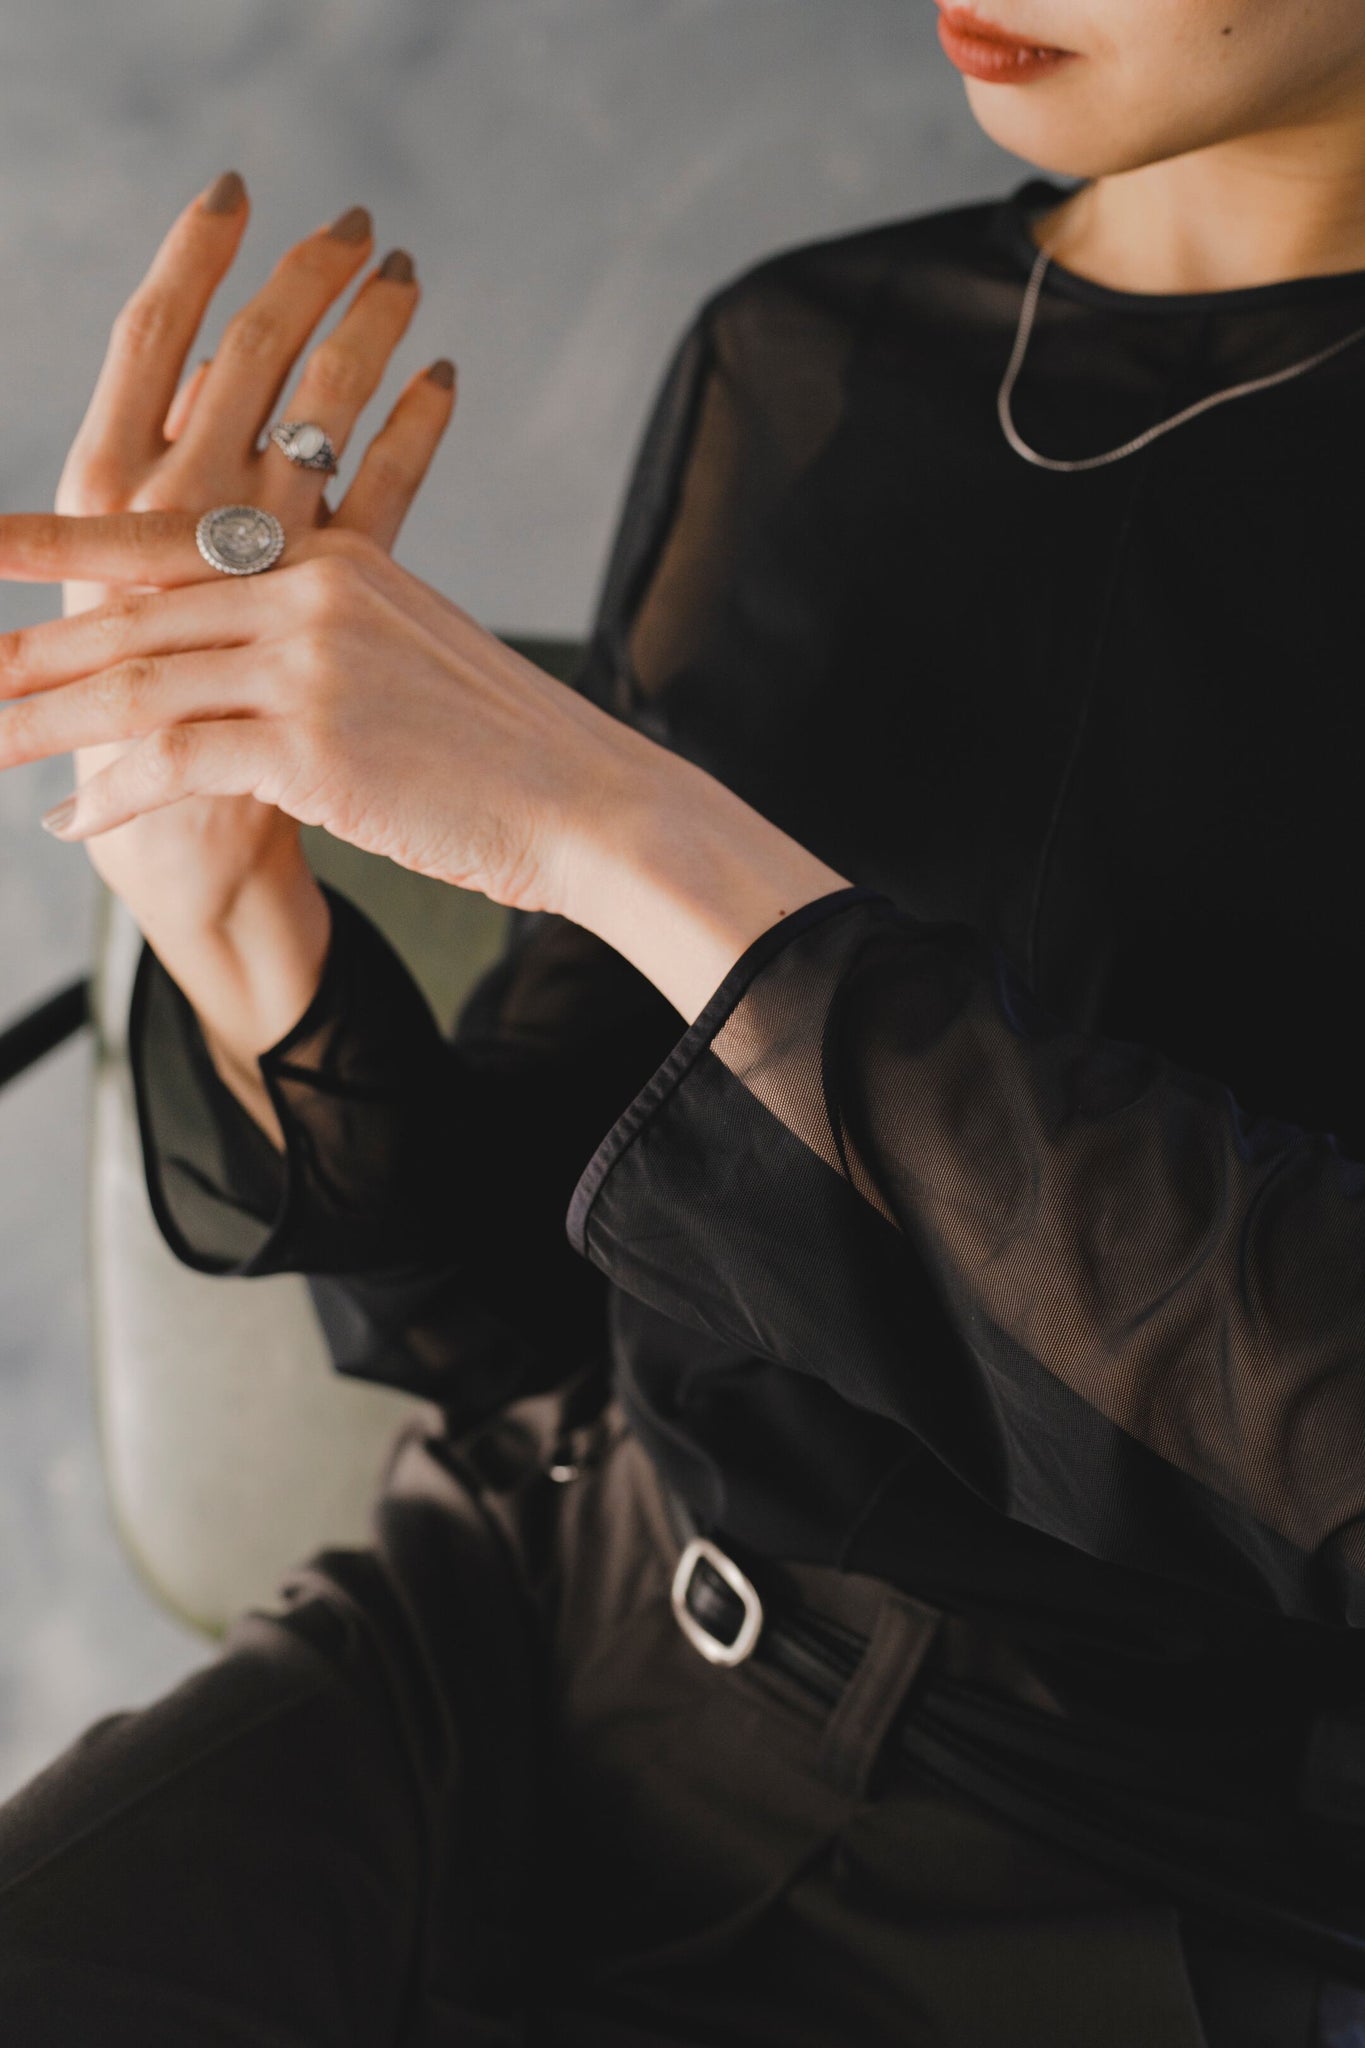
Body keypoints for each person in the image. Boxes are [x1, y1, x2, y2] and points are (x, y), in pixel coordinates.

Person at [3, 0, 1365, 2038]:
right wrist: (233, 915)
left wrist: (626, 833)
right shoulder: (805, 354)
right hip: (520, 1624)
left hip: (1106, 1869)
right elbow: (518, 1300)